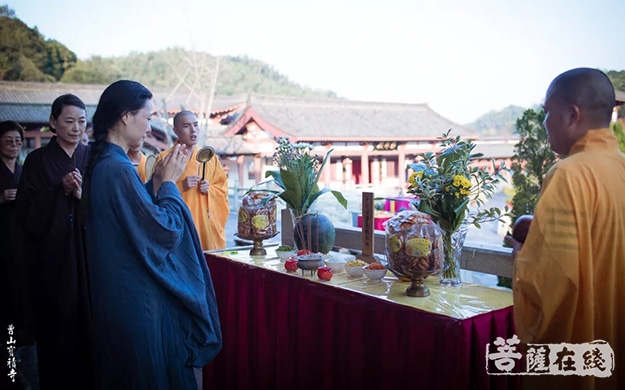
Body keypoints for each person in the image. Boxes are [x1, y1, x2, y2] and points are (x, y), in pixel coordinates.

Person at [83, 80, 221, 390]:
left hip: (118, 295)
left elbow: (134, 212)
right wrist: (170, 185)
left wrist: (156, 181)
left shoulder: (108, 163)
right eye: (147, 118)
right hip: (133, 300)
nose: (149, 128)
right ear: (125, 116)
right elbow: (162, 231)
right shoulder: (116, 168)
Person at [505, 68, 625, 389]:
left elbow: (552, 281)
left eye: (547, 113)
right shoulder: (621, 165)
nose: (545, 123)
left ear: (572, 114)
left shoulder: (568, 175)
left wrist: (523, 254)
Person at [15, 94, 91, 389]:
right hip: (53, 261)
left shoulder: (91, 156)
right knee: (56, 331)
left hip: (88, 257)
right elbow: (25, 213)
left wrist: (83, 196)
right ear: (53, 123)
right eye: (69, 121)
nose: (76, 128)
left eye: (82, 122)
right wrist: (58, 190)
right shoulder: (37, 161)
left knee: (90, 330)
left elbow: (102, 207)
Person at [157, 110, 229, 251]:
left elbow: (222, 189)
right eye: (186, 126)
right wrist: (179, 186)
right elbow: (154, 194)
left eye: (196, 125)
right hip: (179, 225)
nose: (193, 130)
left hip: (205, 227)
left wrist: (210, 190)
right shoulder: (165, 159)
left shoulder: (210, 157)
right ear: (176, 130)